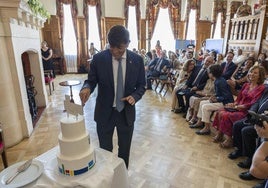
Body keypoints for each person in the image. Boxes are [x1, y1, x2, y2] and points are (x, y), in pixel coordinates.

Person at [79, 25, 146, 168]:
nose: (115, 51)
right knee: (105, 151)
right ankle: (107, 179)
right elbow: (91, 81)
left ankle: (122, 180)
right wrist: (86, 88)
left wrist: (134, 96)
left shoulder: (137, 60)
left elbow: (142, 85)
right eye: (111, 47)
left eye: (119, 48)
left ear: (128, 44)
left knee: (124, 152)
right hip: (104, 113)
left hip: (126, 113)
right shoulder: (98, 59)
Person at [212, 66, 266, 148]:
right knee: (220, 111)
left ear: (260, 75)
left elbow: (255, 102)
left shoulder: (261, 88)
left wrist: (241, 106)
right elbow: (239, 97)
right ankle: (220, 133)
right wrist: (234, 104)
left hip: (246, 111)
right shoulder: (246, 85)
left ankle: (230, 139)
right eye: (251, 72)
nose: (251, 74)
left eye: (255, 73)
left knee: (227, 115)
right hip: (237, 107)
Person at [192, 64, 234, 135]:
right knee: (202, 102)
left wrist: (216, 98)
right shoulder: (217, 80)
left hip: (225, 103)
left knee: (205, 107)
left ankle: (206, 128)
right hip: (220, 100)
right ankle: (199, 122)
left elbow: (226, 96)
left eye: (209, 72)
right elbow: (219, 94)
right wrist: (214, 97)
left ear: (212, 73)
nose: (208, 74)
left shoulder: (220, 82)